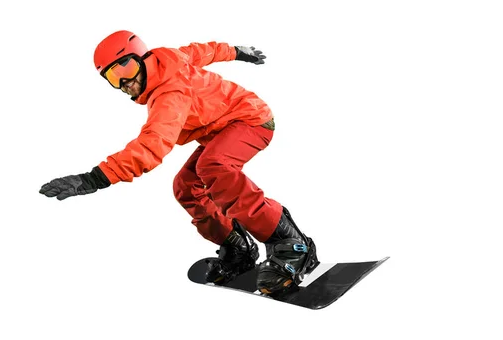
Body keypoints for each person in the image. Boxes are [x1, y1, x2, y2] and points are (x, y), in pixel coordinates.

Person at [39, 30, 318, 297]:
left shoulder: (169, 95)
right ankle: (237, 247)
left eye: (126, 69)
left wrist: (93, 179)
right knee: (186, 185)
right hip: (221, 128)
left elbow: (151, 146)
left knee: (214, 166)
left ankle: (291, 244)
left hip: (251, 120)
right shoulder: (169, 58)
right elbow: (202, 51)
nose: (125, 83)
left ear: (143, 58)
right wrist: (237, 52)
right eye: (113, 77)